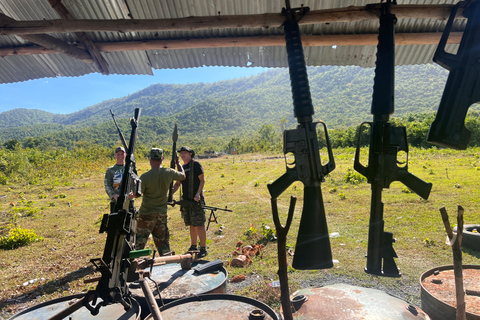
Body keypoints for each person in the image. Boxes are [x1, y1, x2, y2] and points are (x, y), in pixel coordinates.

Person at [135, 148, 185, 256]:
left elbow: (137, 195)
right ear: (162, 158)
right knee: (163, 245)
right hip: (161, 214)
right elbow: (183, 175)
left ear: (149, 159)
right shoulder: (169, 172)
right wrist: (178, 162)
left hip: (146, 215)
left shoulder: (145, 177)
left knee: (138, 244)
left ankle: (134, 267)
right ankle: (167, 265)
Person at [173, 146, 208, 258]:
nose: (183, 155)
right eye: (181, 153)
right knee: (191, 224)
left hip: (196, 200)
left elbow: (202, 180)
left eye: (185, 153)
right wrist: (169, 195)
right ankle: (193, 246)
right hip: (186, 201)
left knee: (199, 223)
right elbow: (178, 184)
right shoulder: (182, 168)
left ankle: (203, 248)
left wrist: (198, 193)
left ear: (190, 154)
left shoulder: (196, 165)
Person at [104, 146, 126, 213]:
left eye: (122, 154)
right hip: (115, 200)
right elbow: (107, 185)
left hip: (128, 200)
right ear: (115, 155)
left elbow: (135, 182)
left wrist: (132, 194)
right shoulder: (110, 170)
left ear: (125, 155)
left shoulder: (129, 168)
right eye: (118, 154)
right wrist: (113, 195)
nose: (120, 156)